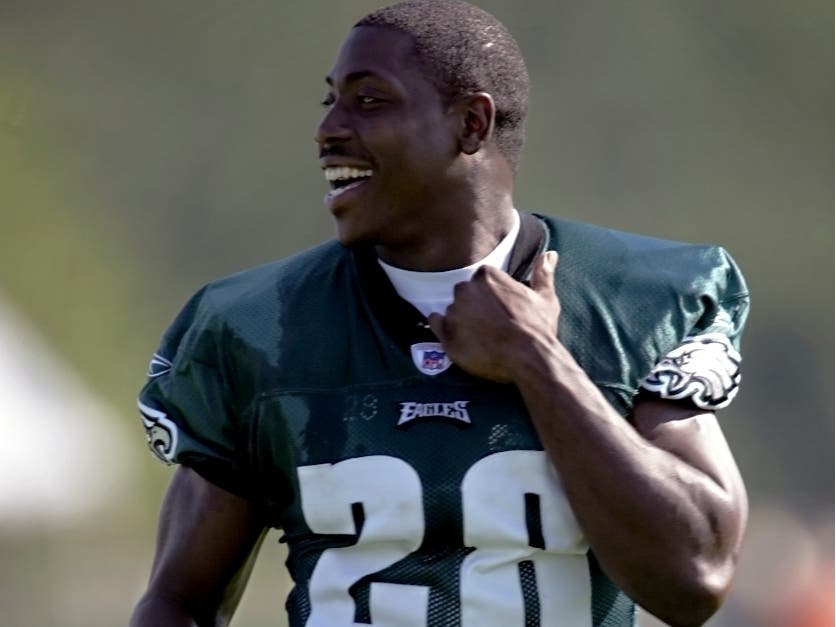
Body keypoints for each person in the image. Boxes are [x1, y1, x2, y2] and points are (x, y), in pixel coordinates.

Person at [130, 1, 750, 625]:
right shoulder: (260, 330)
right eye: (331, 101)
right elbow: (178, 600)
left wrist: (538, 361)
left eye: (369, 101)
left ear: (471, 124)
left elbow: (694, 580)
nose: (329, 129)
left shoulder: (635, 301)